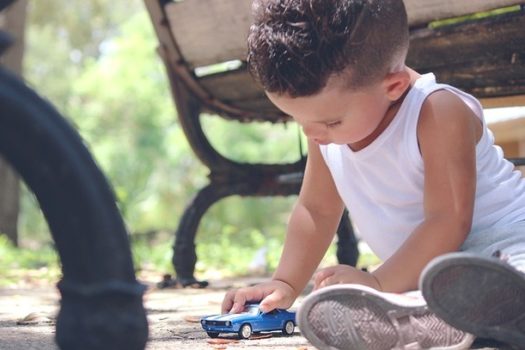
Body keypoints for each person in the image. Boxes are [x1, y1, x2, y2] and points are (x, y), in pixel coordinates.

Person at [221, 0, 525, 348]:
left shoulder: (437, 111)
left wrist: (379, 284)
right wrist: (285, 283)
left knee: (511, 275)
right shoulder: (327, 132)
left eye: (330, 121)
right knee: (421, 298)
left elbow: (448, 220)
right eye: (298, 120)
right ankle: (439, 322)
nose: (312, 134)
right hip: (425, 278)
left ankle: (483, 310)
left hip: (507, 249)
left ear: (393, 86)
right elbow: (316, 210)